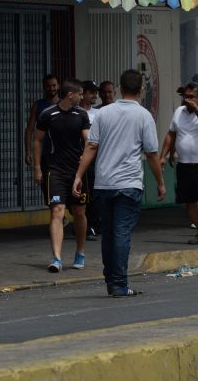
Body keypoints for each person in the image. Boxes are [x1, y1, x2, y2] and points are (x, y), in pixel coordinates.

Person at [73, 69, 166, 297]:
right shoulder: (144, 116)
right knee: (121, 233)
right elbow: (152, 154)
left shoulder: (104, 113)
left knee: (109, 233)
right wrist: (160, 183)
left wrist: (78, 175)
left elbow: (91, 146)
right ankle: (119, 284)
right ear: (141, 90)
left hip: (104, 184)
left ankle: (111, 281)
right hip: (129, 184)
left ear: (118, 89)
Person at [33, 78, 90, 272]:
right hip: (54, 170)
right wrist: (37, 168)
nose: (83, 97)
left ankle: (80, 252)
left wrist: (86, 157)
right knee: (57, 211)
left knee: (79, 212)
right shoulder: (48, 114)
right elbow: (38, 141)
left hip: (77, 171)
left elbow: (88, 140)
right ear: (70, 94)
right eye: (81, 94)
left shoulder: (82, 114)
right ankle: (56, 258)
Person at [160, 82, 198, 244]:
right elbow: (171, 134)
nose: (187, 100)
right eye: (186, 97)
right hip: (184, 163)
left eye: (191, 97)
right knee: (189, 199)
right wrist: (163, 156)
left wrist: (197, 110)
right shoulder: (179, 112)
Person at [24, 74, 59, 167]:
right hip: (43, 152)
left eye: (54, 85)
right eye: (48, 86)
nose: (51, 88)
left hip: (62, 153)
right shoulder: (38, 105)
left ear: (58, 85)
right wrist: (28, 152)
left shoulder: (64, 104)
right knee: (44, 180)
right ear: (43, 87)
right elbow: (29, 130)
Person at [81, 80, 101, 236]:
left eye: (96, 92)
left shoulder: (98, 114)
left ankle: (91, 224)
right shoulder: (75, 112)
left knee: (93, 192)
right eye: (91, 92)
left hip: (95, 159)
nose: (95, 95)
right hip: (77, 158)